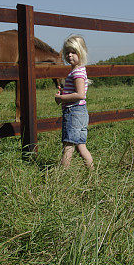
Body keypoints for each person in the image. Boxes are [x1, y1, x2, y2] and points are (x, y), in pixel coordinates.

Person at [54, 34, 94, 170]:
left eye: (73, 52)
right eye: (67, 52)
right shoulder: (78, 71)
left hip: (74, 112)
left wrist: (61, 98)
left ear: (81, 52)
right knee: (80, 146)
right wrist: (64, 93)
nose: (70, 55)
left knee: (68, 146)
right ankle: (92, 172)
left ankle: (62, 175)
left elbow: (80, 94)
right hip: (80, 112)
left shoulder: (77, 73)